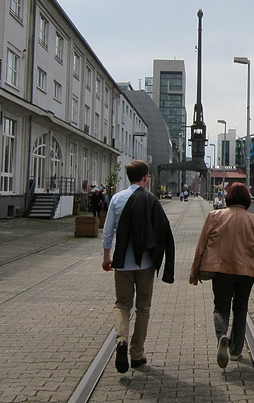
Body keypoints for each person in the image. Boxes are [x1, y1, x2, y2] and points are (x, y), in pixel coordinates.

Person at [189, 182, 254, 368]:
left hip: (221, 270)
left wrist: (195, 272)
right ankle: (236, 350)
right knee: (240, 309)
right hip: (246, 272)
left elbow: (201, 245)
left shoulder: (214, 216)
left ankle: (222, 335)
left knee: (221, 307)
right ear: (247, 199)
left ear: (228, 198)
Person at [102, 160, 175, 373]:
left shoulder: (116, 199)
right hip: (145, 264)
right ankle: (136, 353)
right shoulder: (151, 200)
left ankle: (121, 340)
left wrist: (107, 256)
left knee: (122, 304)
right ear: (145, 177)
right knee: (143, 308)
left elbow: (107, 232)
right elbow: (163, 231)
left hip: (122, 262)